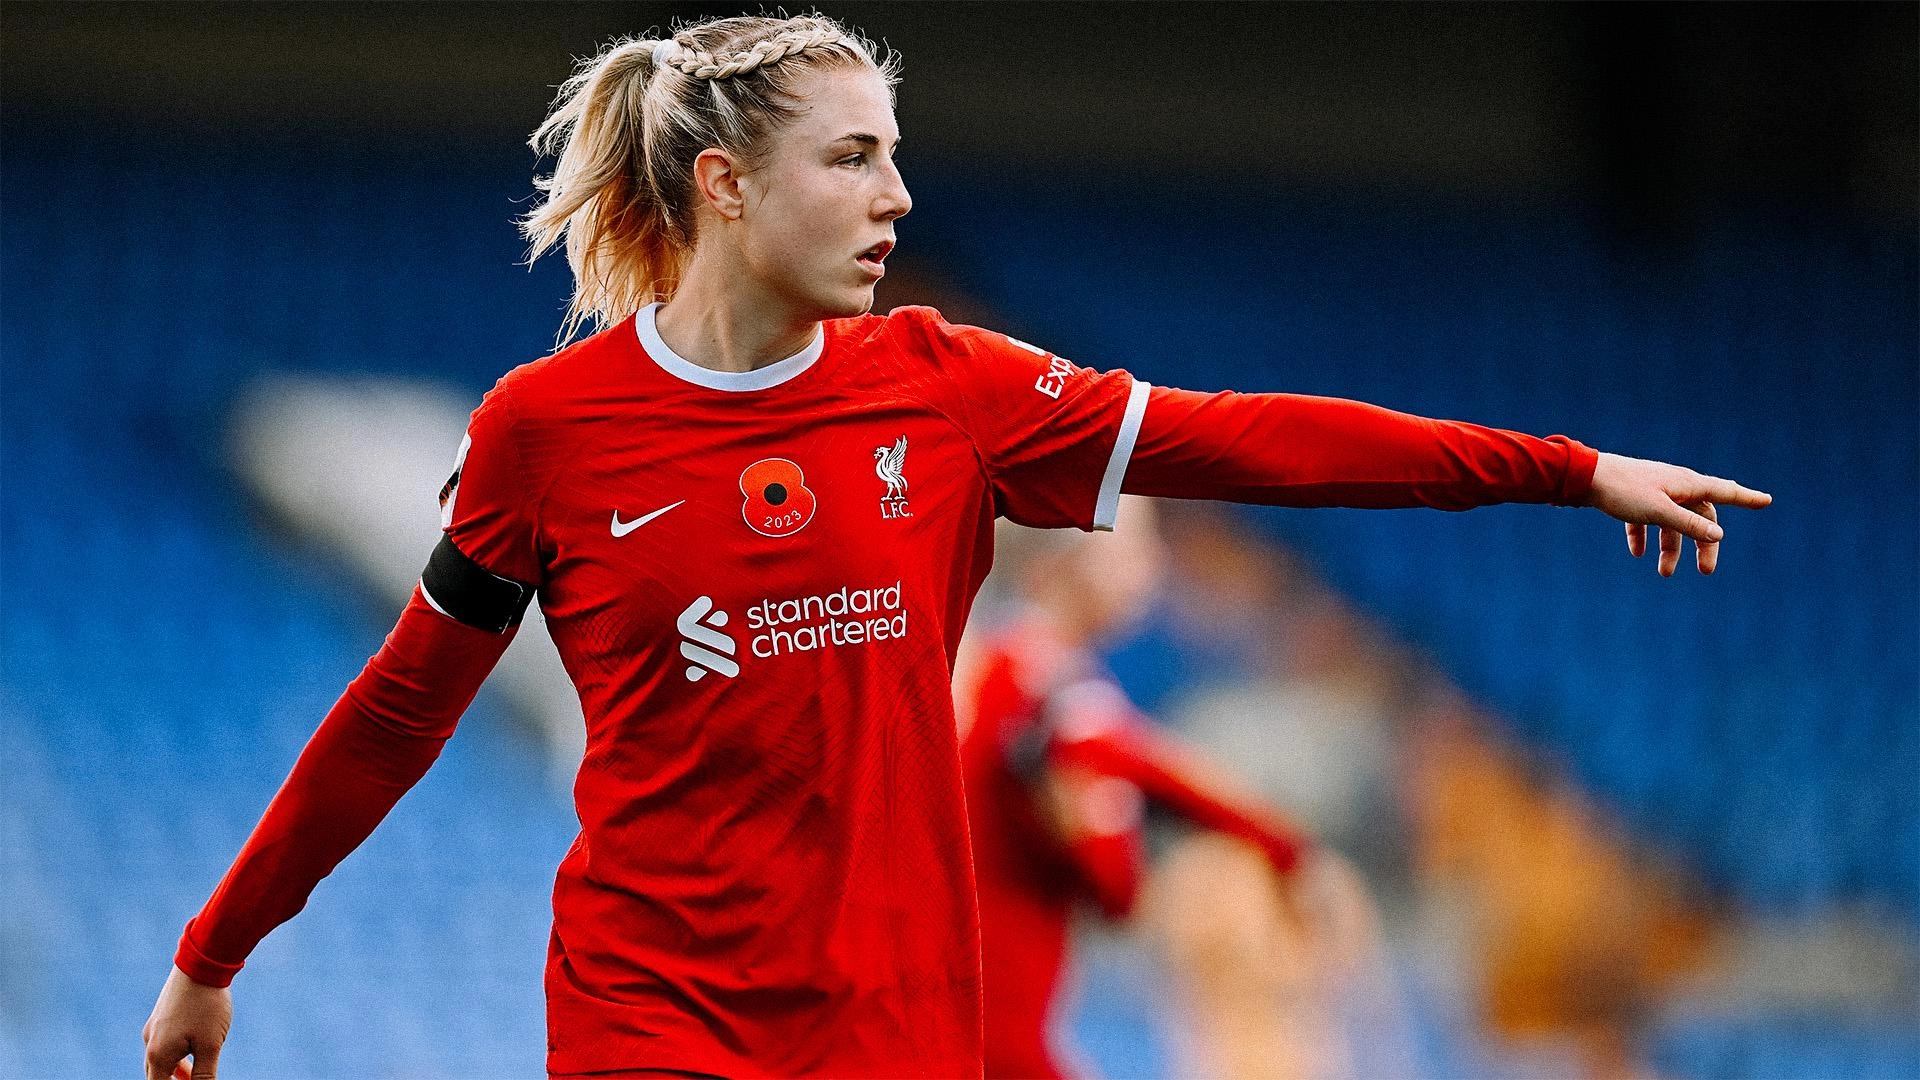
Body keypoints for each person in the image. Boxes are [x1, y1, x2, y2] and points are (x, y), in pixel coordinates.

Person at [142, 13, 1772, 1080]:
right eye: (851, 158)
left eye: (896, 156)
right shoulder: (547, 435)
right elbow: (400, 709)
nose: (897, 196)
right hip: (653, 1019)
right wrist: (218, 950)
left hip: (902, 1032)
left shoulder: (949, 392)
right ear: (722, 184)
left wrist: (1570, 472)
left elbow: (1249, 436)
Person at [960, 500, 1324, 1078]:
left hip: (986, 1028)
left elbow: (1151, 774)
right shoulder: (1049, 690)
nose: (1154, 562)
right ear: (1073, 553)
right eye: (1141, 538)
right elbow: (1117, 881)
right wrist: (1285, 854)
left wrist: (1283, 848)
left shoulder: (1022, 672)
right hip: (996, 1038)